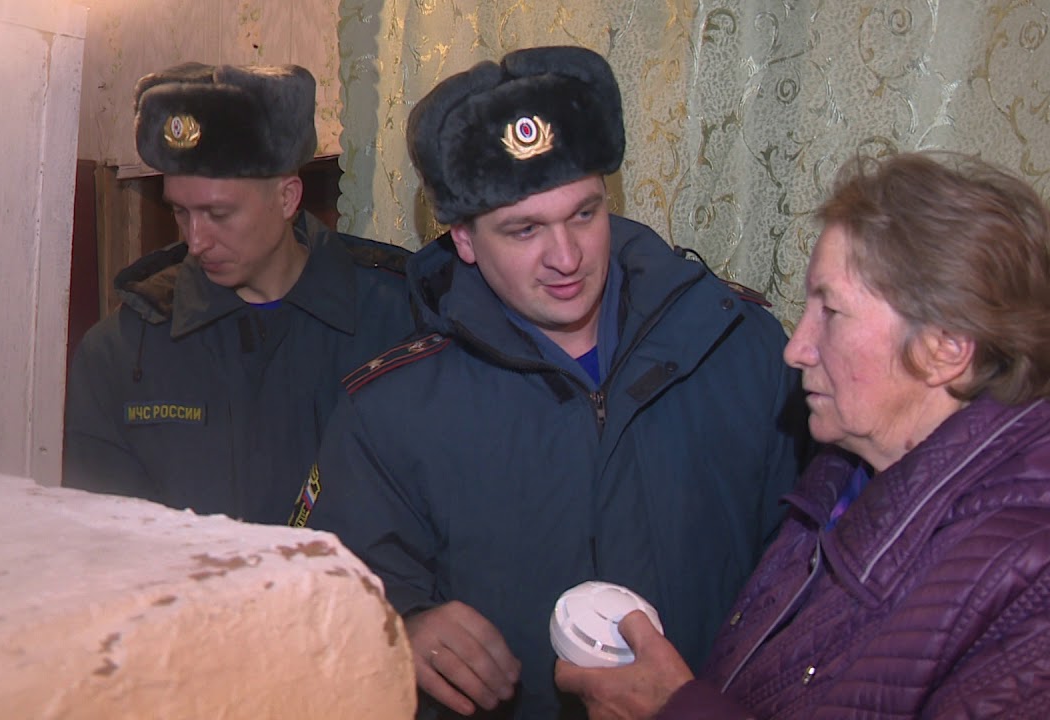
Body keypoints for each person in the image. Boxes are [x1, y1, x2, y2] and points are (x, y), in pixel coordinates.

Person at [555, 152, 1050, 719]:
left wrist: (677, 710)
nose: (796, 349)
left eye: (830, 311)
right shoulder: (836, 491)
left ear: (945, 348)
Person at [296, 46, 809, 719]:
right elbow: (322, 600)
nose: (565, 258)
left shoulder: (739, 347)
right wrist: (399, 627)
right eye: (525, 229)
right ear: (463, 239)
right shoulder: (389, 410)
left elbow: (813, 577)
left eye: (584, 214)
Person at [63, 63, 416, 524]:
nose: (196, 240)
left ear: (287, 198)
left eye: (219, 214)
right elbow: (102, 538)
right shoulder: (122, 352)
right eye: (181, 212)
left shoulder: (397, 325)